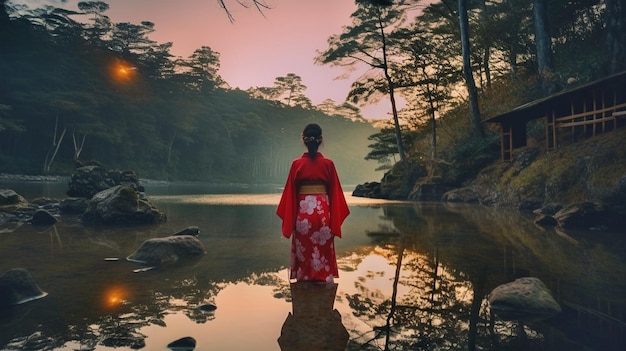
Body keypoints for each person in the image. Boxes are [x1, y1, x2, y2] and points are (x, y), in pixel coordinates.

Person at [276, 123, 350, 283]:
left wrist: (290, 217)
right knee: (322, 248)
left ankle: (304, 276)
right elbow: (335, 193)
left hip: (303, 213)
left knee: (305, 249)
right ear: (320, 140)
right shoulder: (328, 164)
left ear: (304, 139)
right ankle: (323, 277)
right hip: (323, 212)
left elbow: (290, 194)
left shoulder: (297, 164)